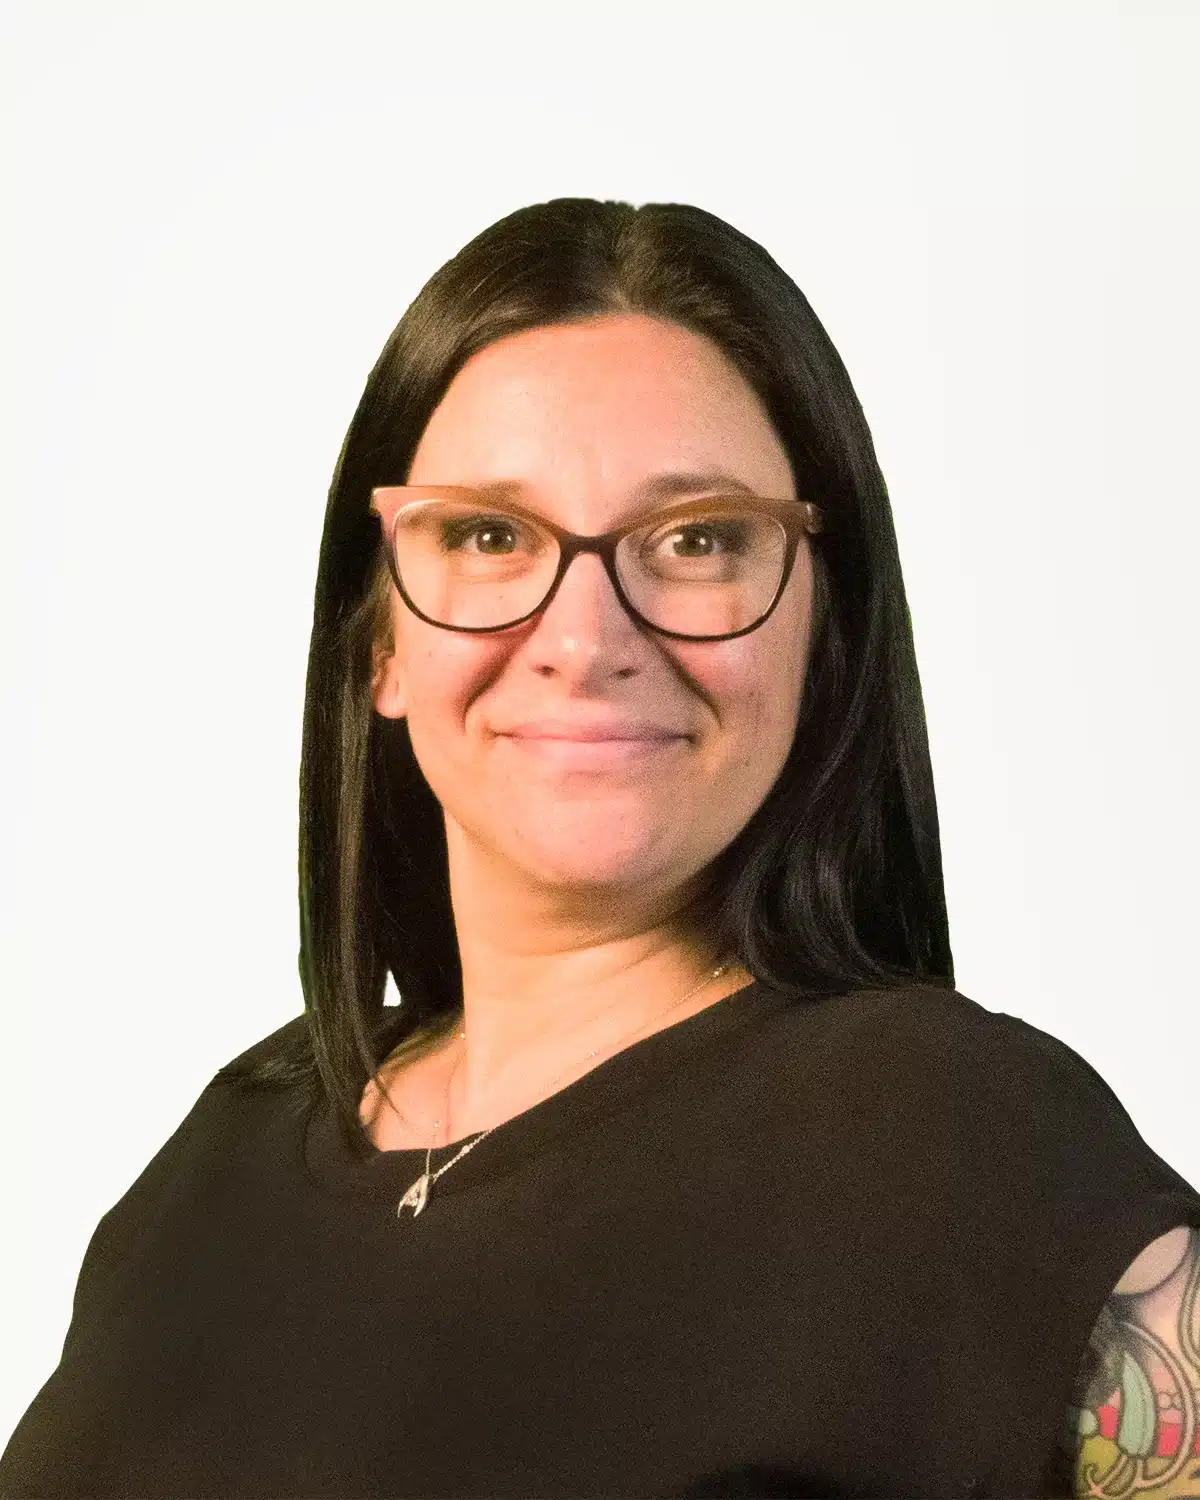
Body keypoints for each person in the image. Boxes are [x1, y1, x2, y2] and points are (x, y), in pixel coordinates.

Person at [2, 197, 1197, 1500]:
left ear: (824, 629)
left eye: (695, 541)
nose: (585, 637)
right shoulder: (227, 1157)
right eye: (487, 536)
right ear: (380, 642)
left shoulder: (971, 1147)